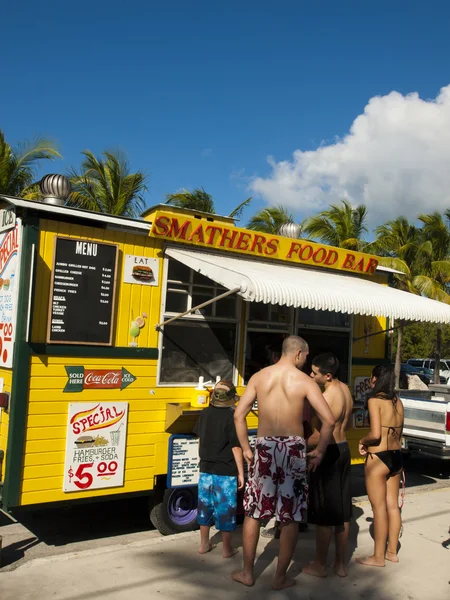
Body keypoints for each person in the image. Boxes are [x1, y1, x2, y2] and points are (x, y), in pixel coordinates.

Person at [232, 335, 336, 590]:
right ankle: (279, 577)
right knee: (290, 515)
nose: (306, 361)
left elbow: (238, 414)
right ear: (299, 353)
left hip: (265, 445)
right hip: (292, 448)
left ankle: (247, 573)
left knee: (254, 512)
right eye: (306, 356)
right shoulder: (303, 381)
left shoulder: (259, 377)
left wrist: (246, 447)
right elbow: (329, 420)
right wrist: (320, 451)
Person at [303, 353, 354, 578]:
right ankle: (340, 565)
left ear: (328, 375)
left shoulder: (329, 395)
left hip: (330, 453)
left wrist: (299, 444)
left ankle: (320, 564)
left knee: (324, 514)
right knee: (342, 512)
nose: (310, 375)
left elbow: (324, 432)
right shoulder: (346, 390)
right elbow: (348, 425)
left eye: (314, 373)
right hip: (344, 450)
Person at [356, 365, 405, 567]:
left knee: (379, 508)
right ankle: (391, 552)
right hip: (396, 456)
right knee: (393, 507)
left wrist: (362, 441)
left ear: (376, 379)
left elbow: (375, 433)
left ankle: (377, 557)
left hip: (378, 457)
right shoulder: (398, 402)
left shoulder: (374, 400)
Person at [193, 380, 244, 558]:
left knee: (204, 506)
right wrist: (241, 473)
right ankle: (227, 549)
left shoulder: (205, 413)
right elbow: (236, 447)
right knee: (225, 508)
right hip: (226, 470)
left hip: (206, 467)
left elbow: (199, 438)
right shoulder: (233, 416)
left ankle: (204, 544)